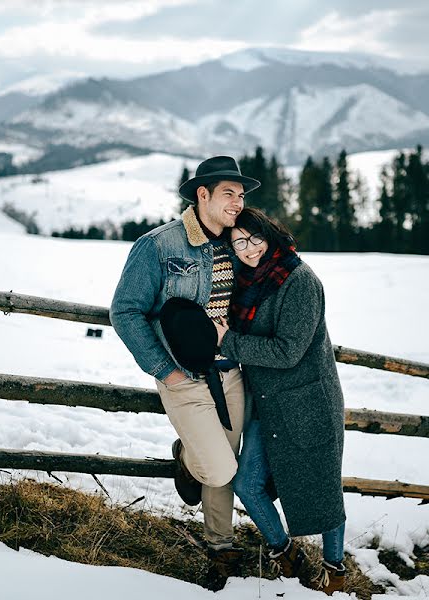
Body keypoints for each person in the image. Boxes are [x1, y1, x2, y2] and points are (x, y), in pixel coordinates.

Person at [110, 156, 260, 591]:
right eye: (229, 194)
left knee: (226, 467)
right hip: (183, 375)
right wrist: (163, 371)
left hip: (231, 373)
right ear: (203, 195)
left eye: (241, 194)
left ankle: (220, 546)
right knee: (216, 467)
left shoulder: (240, 242)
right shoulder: (158, 245)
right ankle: (187, 457)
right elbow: (125, 311)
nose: (238, 202)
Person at [214, 207, 347, 595]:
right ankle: (285, 551)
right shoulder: (244, 281)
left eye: (255, 238)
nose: (249, 248)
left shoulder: (299, 280)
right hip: (268, 402)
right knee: (247, 483)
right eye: (239, 241)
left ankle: (334, 570)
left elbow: (289, 351)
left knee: (323, 486)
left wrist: (229, 341)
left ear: (270, 235)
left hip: (308, 402)